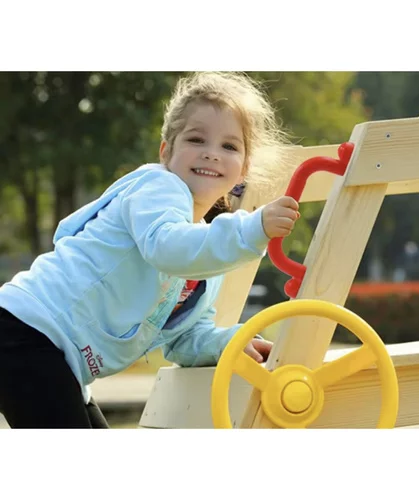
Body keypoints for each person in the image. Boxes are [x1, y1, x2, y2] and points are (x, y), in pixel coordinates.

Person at [0, 71, 300, 428]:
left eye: (229, 146)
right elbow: (168, 247)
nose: (211, 153)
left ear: (244, 169)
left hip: (57, 356)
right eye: (196, 139)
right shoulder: (158, 188)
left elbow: (183, 336)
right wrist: (253, 228)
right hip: (26, 329)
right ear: (166, 151)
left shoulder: (203, 257)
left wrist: (229, 343)